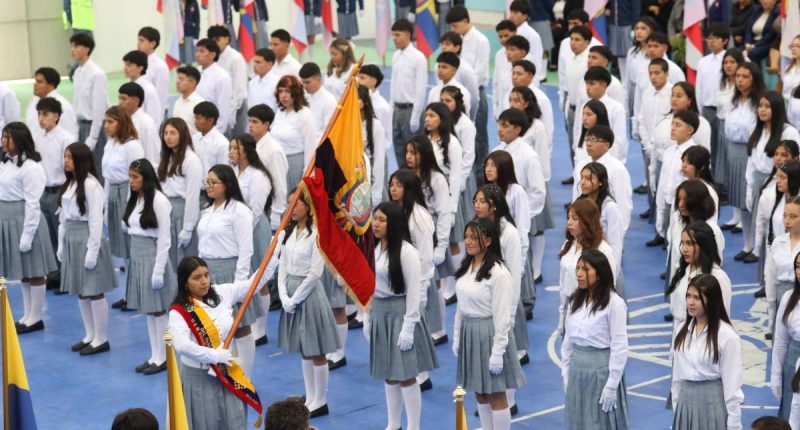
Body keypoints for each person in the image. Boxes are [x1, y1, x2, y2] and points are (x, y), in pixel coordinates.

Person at [168, 257, 270, 430]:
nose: (204, 281)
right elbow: (181, 345)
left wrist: (274, 255)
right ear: (185, 282)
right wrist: (214, 356)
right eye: (197, 278)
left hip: (226, 371)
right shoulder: (179, 312)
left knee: (235, 420)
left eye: (206, 275)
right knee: (205, 424)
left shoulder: (222, 293)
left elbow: (253, 284)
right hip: (199, 378)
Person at [367, 202, 438, 430]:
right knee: (389, 373)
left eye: (381, 220)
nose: (375, 224)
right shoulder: (375, 249)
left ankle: (413, 426)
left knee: (406, 375)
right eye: (375, 219)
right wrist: (368, 316)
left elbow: (414, 292)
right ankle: (393, 424)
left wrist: (408, 327)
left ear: (394, 223)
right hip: (380, 312)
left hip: (401, 314)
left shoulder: (408, 252)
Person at [453, 218, 525, 430]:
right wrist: (457, 336)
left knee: (495, 394)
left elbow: (503, 317)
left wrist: (498, 351)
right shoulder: (468, 266)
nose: (468, 241)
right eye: (466, 236)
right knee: (480, 392)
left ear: (488, 240)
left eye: (474, 237)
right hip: (470, 331)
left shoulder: (498, 272)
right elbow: (461, 306)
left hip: (489, 335)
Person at [277, 188, 339, 418]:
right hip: (291, 290)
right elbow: (282, 265)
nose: (292, 208)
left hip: (309, 294)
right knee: (304, 348)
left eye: (297, 203)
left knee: (316, 349)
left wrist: (295, 298)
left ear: (308, 206)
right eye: (290, 203)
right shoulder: (289, 233)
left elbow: (315, 273)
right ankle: (310, 395)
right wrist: (283, 295)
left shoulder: (316, 235)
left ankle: (320, 400)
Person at [197, 164, 258, 375]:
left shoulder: (239, 211)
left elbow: (246, 250)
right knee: (216, 326)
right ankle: (226, 371)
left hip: (229, 270)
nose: (209, 186)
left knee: (240, 326)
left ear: (227, 184)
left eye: (214, 182)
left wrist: (240, 284)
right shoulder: (207, 210)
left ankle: (246, 375)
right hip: (208, 271)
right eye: (207, 182)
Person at [473, 184, 528, 412]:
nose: (476, 206)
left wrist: (510, 314)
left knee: (506, 354)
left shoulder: (509, 234)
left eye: (482, 201)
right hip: (483, 302)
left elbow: (514, 277)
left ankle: (508, 400)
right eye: (475, 201)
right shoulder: (477, 228)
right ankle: (488, 395)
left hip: (503, 301)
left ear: (494, 206)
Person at [57, 142, 116, 354]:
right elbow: (63, 217)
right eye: (65, 156)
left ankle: (101, 338)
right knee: (81, 290)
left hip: (87, 238)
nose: (66, 161)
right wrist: (61, 244)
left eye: (70, 157)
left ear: (80, 160)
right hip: (72, 238)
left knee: (94, 290)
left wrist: (92, 251)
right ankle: (89, 334)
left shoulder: (91, 185)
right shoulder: (70, 184)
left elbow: (96, 220)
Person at [0, 123, 58, 333]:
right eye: (3, 136)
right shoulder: (7, 163)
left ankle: (36, 317)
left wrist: (27, 235)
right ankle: (27, 315)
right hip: (9, 221)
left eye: (8, 137)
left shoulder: (31, 167)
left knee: (35, 271)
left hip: (25, 222)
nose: (3, 141)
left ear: (19, 139)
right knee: (24, 271)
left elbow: (32, 204)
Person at [562, 249, 629, 430]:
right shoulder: (575, 300)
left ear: (599, 274)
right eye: (578, 269)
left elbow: (619, 346)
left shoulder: (614, 303)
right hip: (577, 371)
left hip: (600, 373)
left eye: (585, 269)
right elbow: (568, 340)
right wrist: (566, 372)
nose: (579, 274)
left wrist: (612, 385)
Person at [123, 158, 176, 374]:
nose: (131, 181)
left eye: (135, 177)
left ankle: (164, 356)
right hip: (137, 254)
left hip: (152, 255)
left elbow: (164, 239)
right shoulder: (135, 198)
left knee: (158, 310)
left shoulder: (159, 201)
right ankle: (155, 355)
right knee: (149, 310)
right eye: (130, 176)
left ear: (146, 178)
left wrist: (159, 270)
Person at [404, 135, 452, 373]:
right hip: (412, 232)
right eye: (407, 152)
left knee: (434, 285)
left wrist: (441, 245)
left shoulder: (436, 179)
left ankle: (439, 329)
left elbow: (444, 212)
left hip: (430, 233)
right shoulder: (407, 176)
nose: (409, 157)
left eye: (414, 153)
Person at [671, 274, 743, 430]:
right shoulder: (680, 330)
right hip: (684, 401)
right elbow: (677, 375)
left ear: (711, 300)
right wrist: (677, 407)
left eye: (697, 297)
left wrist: (734, 424)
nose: (690, 302)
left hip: (712, 404)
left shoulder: (727, 336)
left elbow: (732, 385)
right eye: (688, 296)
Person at [229, 133, 275, 346]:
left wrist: (242, 232)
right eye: (230, 148)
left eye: (235, 148)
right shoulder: (234, 172)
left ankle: (260, 329)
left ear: (245, 151)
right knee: (245, 277)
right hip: (236, 230)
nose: (231, 152)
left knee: (259, 279)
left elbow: (255, 210)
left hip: (254, 230)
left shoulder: (258, 176)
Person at [745, 92, 800, 262]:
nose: (762, 110)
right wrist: (749, 187)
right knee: (761, 222)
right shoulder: (756, 129)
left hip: (781, 181)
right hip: (760, 181)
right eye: (760, 106)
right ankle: (755, 250)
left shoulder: (788, 131)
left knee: (779, 222)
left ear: (776, 109)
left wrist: (783, 178)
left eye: (767, 106)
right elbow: (751, 160)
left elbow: (794, 162)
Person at [723, 63, 765, 255]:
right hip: (733, 151)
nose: (740, 80)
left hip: (752, 153)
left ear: (754, 79)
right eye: (738, 76)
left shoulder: (759, 104)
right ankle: (747, 244)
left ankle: (759, 246)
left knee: (754, 202)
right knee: (741, 201)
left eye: (745, 76)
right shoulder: (733, 101)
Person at [33, 97, 75, 286]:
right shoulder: (38, 137)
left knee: (61, 235)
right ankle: (55, 275)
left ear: (56, 116)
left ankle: (67, 277)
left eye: (45, 114)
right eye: (39, 114)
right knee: (48, 236)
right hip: (43, 192)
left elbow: (70, 168)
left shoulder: (66, 138)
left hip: (60, 190)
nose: (41, 118)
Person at [445, 5, 490, 175]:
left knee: (479, 137)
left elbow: (479, 72)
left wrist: (465, 91)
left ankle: (482, 175)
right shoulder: (458, 40)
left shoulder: (481, 40)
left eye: (455, 26)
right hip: (456, 96)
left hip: (475, 93)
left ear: (465, 21)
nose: (453, 30)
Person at [754, 141, 800, 299]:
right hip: (777, 259)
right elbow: (765, 226)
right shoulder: (774, 198)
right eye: (777, 176)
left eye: (783, 177)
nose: (778, 181)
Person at [667, 221, 732, 332]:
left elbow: (721, 317)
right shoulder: (683, 271)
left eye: (690, 244)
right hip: (680, 333)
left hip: (704, 337)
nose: (684, 249)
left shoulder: (718, 277)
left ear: (704, 245)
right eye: (683, 243)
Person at [653, 110, 702, 249]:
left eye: (678, 125)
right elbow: (663, 183)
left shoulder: (695, 154)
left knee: (683, 245)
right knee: (671, 245)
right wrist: (660, 209)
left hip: (685, 207)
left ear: (690, 130)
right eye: (672, 124)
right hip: (668, 202)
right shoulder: (669, 152)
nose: (672, 128)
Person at [158, 118, 202, 270]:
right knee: (169, 259)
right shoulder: (167, 157)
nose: (168, 137)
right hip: (166, 210)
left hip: (182, 213)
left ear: (182, 134)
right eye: (165, 133)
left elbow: (192, 197)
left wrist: (188, 227)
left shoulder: (191, 160)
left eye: (173, 133)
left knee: (185, 261)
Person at [101, 106, 144, 263]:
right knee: (119, 242)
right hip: (113, 192)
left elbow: (138, 178)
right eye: (105, 121)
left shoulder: (132, 146)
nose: (106, 125)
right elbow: (107, 176)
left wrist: (130, 207)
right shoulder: (110, 144)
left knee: (129, 238)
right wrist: (106, 205)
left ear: (122, 123)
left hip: (127, 192)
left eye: (110, 122)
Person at [571, 125, 633, 232]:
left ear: (606, 145)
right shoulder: (581, 165)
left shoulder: (617, 169)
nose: (589, 144)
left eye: (594, 140)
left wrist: (620, 231)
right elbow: (576, 195)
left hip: (606, 227)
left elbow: (623, 204)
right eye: (587, 139)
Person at [390, 18, 428, 167]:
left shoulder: (418, 58)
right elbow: (393, 84)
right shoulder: (395, 56)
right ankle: (402, 178)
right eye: (393, 35)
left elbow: (421, 89)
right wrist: (391, 108)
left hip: (410, 110)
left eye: (397, 35)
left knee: (414, 154)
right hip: (397, 110)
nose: (394, 38)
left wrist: (416, 116)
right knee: (399, 150)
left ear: (407, 35)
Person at [70, 32, 109, 175]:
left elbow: (99, 109)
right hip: (81, 127)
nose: (72, 50)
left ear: (87, 49)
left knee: (97, 169)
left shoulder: (97, 74)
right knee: (82, 170)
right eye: (72, 46)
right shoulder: (77, 73)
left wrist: (93, 138)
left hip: (95, 127)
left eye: (76, 46)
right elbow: (77, 104)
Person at [572, 67, 628, 164]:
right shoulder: (585, 106)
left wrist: (613, 163)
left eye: (592, 83)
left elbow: (619, 141)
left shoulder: (616, 108)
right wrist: (577, 154)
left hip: (607, 159)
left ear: (603, 85)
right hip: (584, 157)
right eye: (586, 83)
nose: (587, 88)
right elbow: (578, 131)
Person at [248, 104, 289, 230]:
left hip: (267, 207)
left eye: (255, 122)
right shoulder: (251, 144)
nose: (250, 125)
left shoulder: (274, 150)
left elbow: (279, 185)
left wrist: (276, 214)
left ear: (266, 124)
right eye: (249, 121)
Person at [272, 76, 316, 190]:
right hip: (278, 163)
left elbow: (310, 146)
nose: (283, 95)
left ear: (296, 93)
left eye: (287, 91)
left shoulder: (305, 114)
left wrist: (307, 174)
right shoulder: (279, 112)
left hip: (295, 164)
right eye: (281, 91)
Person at [772, 249, 800, 420]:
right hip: (792, 359)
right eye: (797, 266)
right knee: (790, 413)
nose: (799, 272)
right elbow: (781, 341)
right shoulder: (788, 298)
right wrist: (776, 376)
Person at [578, 162, 625, 264]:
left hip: (602, 261)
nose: (582, 182)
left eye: (588, 178)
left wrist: (613, 269)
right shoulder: (580, 203)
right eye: (581, 177)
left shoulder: (610, 207)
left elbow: (616, 244)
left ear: (600, 182)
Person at [767, 197, 800, 342]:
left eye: (793, 217)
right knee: (780, 342)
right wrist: (771, 303)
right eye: (785, 215)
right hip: (781, 294)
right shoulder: (778, 242)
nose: (787, 221)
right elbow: (771, 276)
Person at [208, 25, 248, 134]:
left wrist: (230, 112)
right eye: (212, 40)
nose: (214, 43)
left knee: (237, 139)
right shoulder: (213, 58)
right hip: (219, 105)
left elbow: (239, 89)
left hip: (237, 105)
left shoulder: (236, 58)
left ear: (227, 39)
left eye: (217, 40)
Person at [714, 48, 747, 182]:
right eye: (725, 62)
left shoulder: (743, 85)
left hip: (738, 128)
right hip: (721, 124)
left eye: (732, 62)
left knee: (735, 159)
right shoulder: (722, 83)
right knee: (722, 158)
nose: (728, 65)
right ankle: (723, 185)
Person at [25, 67, 78, 137]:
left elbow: (71, 133)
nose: (35, 84)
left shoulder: (63, 105)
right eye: (35, 81)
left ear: (51, 85)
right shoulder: (33, 102)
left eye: (39, 82)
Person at [194, 38, 233, 134]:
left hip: (214, 129)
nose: (197, 54)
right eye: (197, 51)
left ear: (212, 55)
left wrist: (217, 132)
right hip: (197, 126)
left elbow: (224, 108)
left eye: (202, 51)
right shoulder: (196, 72)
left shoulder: (222, 76)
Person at [117, 83, 160, 168]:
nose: (120, 102)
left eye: (124, 99)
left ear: (136, 101)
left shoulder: (146, 123)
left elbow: (152, 156)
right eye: (119, 98)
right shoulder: (121, 120)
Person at [358, 85, 386, 206]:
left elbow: (379, 160)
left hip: (367, 173)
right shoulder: (347, 124)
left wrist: (376, 192)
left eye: (357, 98)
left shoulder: (375, 126)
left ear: (365, 102)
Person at [121, 50, 163, 126]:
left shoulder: (148, 89)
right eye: (125, 65)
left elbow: (154, 118)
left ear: (140, 68)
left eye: (129, 65)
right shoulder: (127, 87)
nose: (125, 68)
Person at [507, 0, 544, 84]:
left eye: (516, 12)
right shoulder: (510, 33)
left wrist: (533, 84)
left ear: (525, 15)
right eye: (511, 12)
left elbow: (536, 62)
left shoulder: (532, 36)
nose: (512, 15)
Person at [192, 102, 230, 180]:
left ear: (210, 120)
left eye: (198, 118)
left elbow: (223, 171)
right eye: (195, 118)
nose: (195, 122)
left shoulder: (222, 143)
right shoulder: (194, 138)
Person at [299, 62, 336, 139]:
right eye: (303, 82)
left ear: (318, 79)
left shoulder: (329, 101)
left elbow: (328, 131)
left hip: (318, 143)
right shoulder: (301, 96)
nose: (304, 86)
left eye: (307, 82)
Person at [137, 27, 169, 112]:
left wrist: (156, 119)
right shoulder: (138, 63)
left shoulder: (160, 66)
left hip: (154, 113)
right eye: (138, 40)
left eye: (142, 40)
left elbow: (161, 97)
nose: (138, 43)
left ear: (152, 44)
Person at [743, 0, 780, 67]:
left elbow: (771, 34)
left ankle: (756, 73)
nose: (764, 1)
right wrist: (747, 43)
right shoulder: (757, 10)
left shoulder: (777, 12)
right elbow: (749, 29)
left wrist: (754, 46)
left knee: (752, 54)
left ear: (774, 1)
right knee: (737, 52)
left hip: (767, 43)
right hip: (752, 42)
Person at [172, 66, 204, 134]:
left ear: (192, 83)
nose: (177, 82)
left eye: (181, 79)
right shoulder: (177, 102)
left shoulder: (200, 103)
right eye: (177, 78)